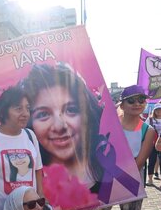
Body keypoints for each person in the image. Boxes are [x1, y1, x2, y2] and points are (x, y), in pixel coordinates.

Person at [20, 63, 104, 192]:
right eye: (43, 114)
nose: (60, 126)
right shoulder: (31, 186)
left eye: (71, 109)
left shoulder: (108, 173)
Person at [146, 102, 161, 185]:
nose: (159, 111)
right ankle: (150, 179)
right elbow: (145, 129)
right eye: (157, 110)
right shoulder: (150, 119)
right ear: (154, 111)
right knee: (152, 160)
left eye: (160, 109)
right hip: (152, 143)